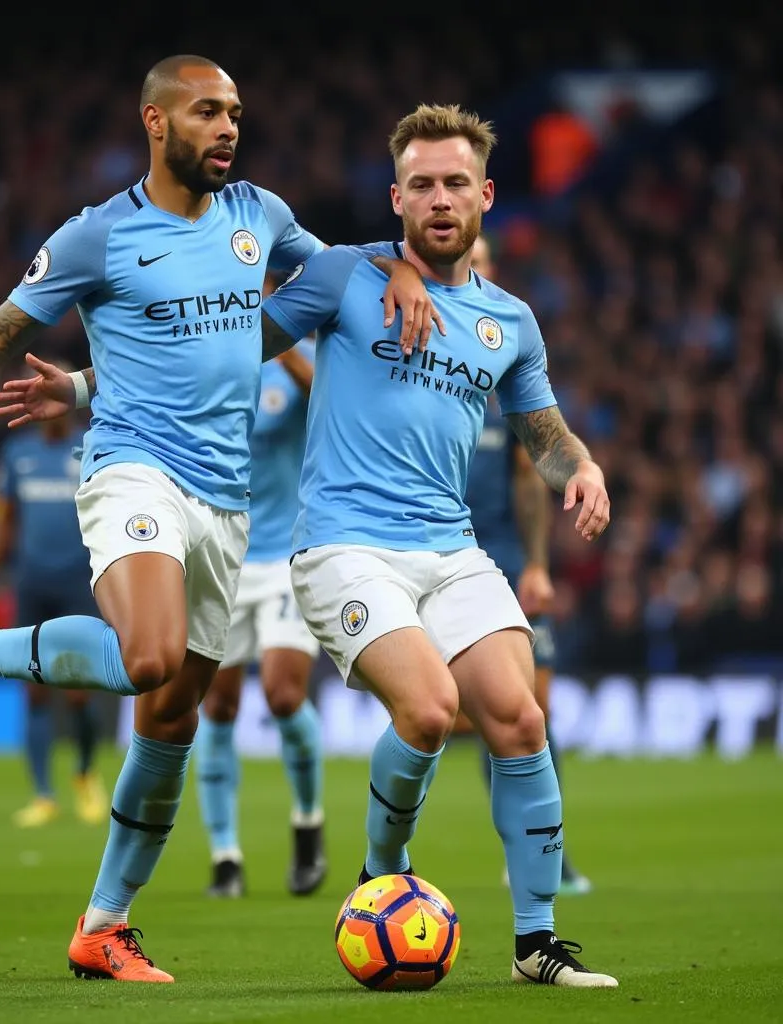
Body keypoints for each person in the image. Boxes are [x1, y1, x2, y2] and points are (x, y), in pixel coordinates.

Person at [0, 55, 440, 982]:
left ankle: (104, 926)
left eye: (237, 111)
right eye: (208, 112)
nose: (229, 128)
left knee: (169, 723)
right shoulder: (97, 237)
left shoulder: (260, 218)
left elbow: (335, 266)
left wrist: (397, 268)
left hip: (228, 500)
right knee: (151, 657)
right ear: (157, 124)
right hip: (133, 473)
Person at [258, 104, 618, 987]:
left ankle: (536, 945)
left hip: (450, 550)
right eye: (421, 184)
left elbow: (542, 434)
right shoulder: (348, 276)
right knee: (427, 711)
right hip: (344, 546)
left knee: (520, 716)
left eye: (456, 182)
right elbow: (234, 346)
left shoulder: (511, 321)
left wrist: (582, 466)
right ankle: (381, 876)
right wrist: (85, 387)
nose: (440, 197)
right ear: (396, 199)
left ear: (487, 195)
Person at [462, 234, 591, 896]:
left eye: (484, 262)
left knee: (531, 709)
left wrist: (538, 565)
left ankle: (543, 855)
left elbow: (531, 469)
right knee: (446, 714)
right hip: (435, 554)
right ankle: (390, 860)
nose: (474, 269)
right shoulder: (417, 356)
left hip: (507, 561)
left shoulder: (503, 356)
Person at [194, 302, 324, 899]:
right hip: (224, 556)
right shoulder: (207, 365)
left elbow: (332, 398)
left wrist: (280, 345)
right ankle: (226, 856)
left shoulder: (295, 363)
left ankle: (307, 823)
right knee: (216, 708)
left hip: (287, 555)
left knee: (282, 693)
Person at [0, 369, 107, 829]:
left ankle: (86, 775)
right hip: (31, 582)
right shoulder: (17, 453)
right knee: (33, 694)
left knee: (76, 692)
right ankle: (43, 794)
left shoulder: (90, 445)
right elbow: (3, 519)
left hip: (77, 582)